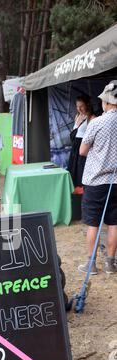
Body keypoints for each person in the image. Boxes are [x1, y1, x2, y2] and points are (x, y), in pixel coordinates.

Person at [78, 81, 117, 275]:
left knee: (93, 223)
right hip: (116, 182)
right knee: (114, 223)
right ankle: (111, 263)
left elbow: (82, 150)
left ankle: (91, 264)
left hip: (96, 181)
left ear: (108, 103)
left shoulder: (97, 122)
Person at [67, 95, 95, 189]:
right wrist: (77, 123)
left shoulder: (92, 118)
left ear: (87, 105)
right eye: (77, 106)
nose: (79, 108)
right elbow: (73, 134)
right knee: (73, 171)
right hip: (75, 147)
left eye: (81, 106)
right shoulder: (78, 116)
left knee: (81, 172)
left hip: (83, 147)